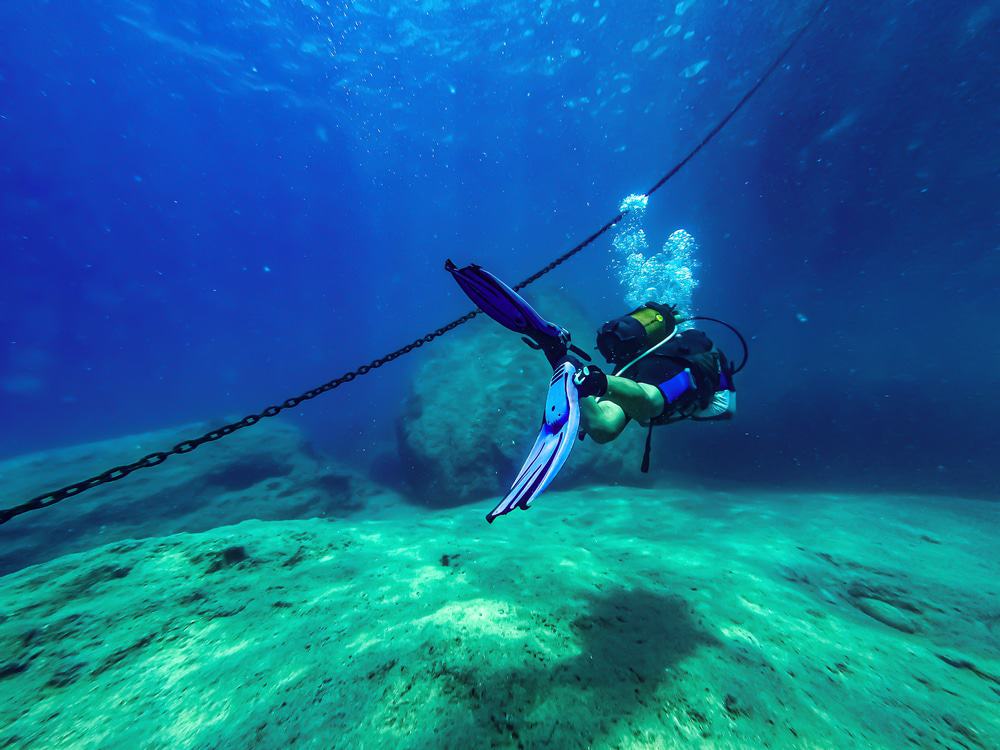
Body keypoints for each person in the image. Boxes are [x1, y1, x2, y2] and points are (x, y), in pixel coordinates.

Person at [445, 261, 744, 522]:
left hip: (630, 372)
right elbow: (654, 400)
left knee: (603, 425)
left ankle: (562, 358)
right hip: (653, 379)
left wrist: (600, 383)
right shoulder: (692, 359)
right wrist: (604, 383)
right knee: (650, 401)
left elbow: (607, 426)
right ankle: (583, 373)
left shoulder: (660, 359)